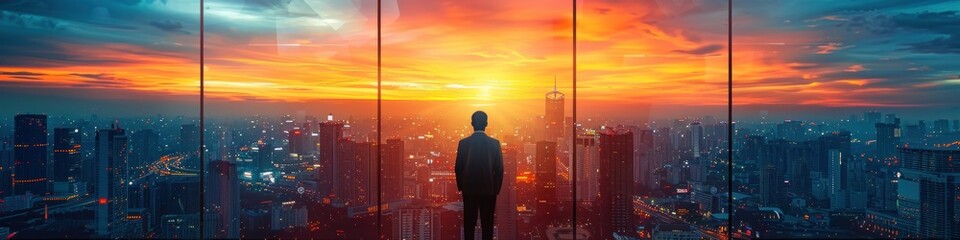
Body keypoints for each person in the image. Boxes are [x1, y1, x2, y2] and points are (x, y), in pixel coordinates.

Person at [455, 111, 504, 240]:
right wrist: (496, 189)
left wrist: (461, 186)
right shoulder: (495, 144)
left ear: (472, 123)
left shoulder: (463, 143)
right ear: (486, 124)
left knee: (469, 224)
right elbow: (499, 169)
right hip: (488, 190)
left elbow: (458, 167)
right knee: (487, 225)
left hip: (469, 189)